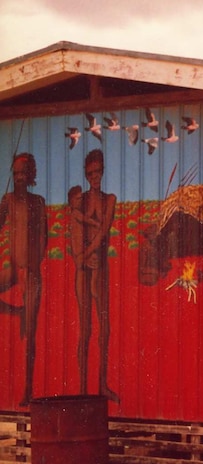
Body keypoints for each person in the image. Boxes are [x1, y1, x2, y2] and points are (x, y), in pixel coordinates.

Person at [69, 149, 119, 403]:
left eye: (98, 172)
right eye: (90, 174)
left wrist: (83, 253)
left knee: (104, 328)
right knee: (85, 329)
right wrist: (79, 257)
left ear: (103, 171)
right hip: (83, 269)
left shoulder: (109, 199)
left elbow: (103, 234)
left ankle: (101, 385)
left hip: (98, 267)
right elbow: (75, 227)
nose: (94, 177)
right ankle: (82, 388)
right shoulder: (81, 200)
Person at [0, 153, 47, 406]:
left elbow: (43, 237)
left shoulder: (38, 202)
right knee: (24, 319)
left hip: (30, 272)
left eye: (23, 173)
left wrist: (34, 264)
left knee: (30, 334)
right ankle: (15, 312)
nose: (19, 177)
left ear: (30, 176)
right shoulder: (7, 200)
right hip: (13, 269)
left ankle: (28, 388)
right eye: (16, 173)